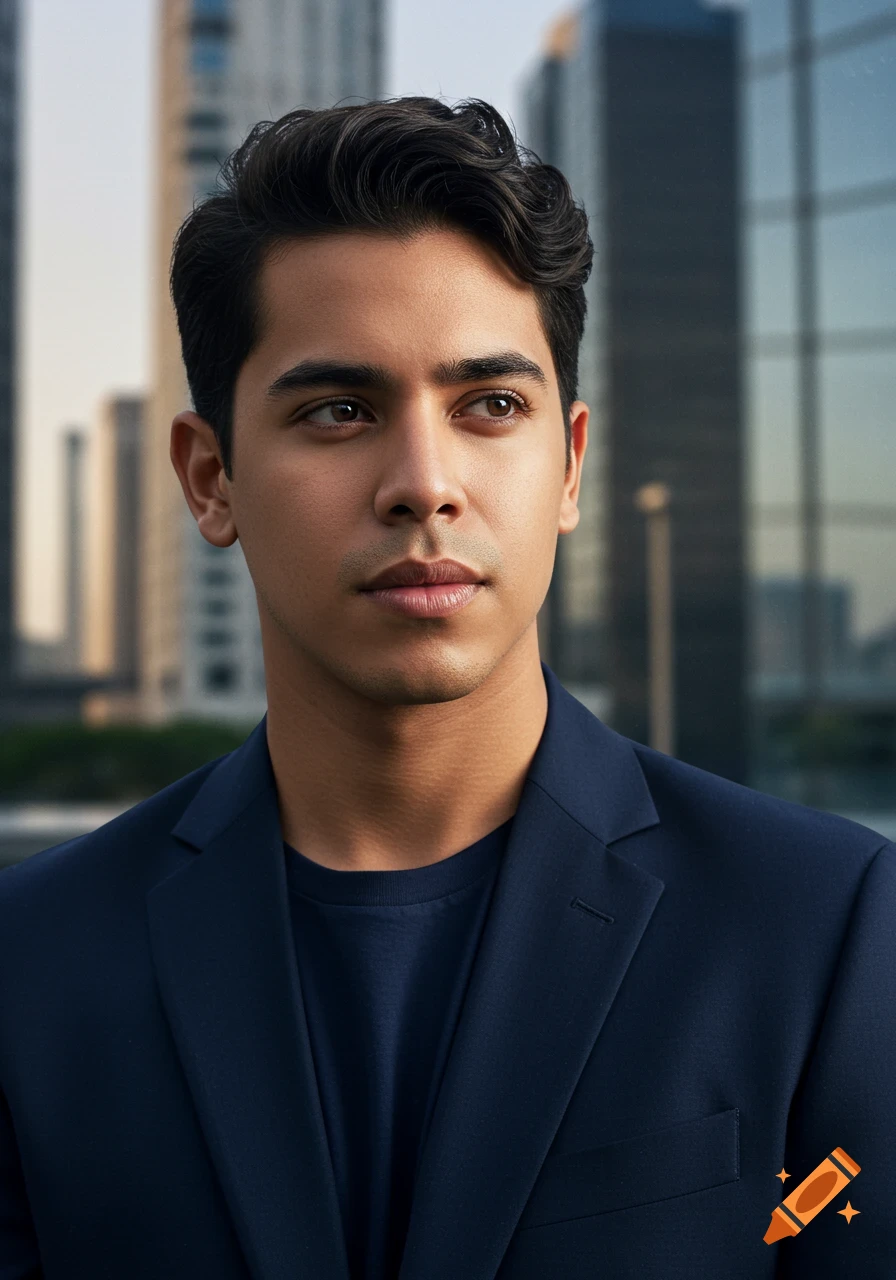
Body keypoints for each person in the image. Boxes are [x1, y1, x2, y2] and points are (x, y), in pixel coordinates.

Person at [0, 97, 893, 1280]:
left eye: (489, 406)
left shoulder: (826, 926)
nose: (424, 482)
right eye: (339, 410)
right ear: (209, 477)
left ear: (569, 463)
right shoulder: (31, 965)